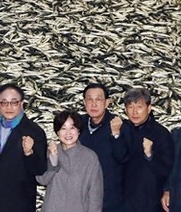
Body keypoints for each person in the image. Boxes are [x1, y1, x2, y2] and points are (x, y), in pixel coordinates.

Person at [0, 83, 49, 212]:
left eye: (14, 102)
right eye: (4, 103)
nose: (9, 107)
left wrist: (29, 153)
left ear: (22, 103)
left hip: (20, 202)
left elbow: (40, 169)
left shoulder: (34, 131)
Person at [36, 110, 103, 212]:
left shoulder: (90, 157)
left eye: (72, 128)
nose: (68, 133)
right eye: (63, 128)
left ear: (78, 130)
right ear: (57, 132)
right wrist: (53, 159)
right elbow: (42, 180)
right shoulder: (51, 151)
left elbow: (95, 193)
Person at [78, 84, 128, 212]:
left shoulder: (119, 125)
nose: (94, 104)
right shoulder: (77, 124)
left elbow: (123, 158)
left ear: (107, 103)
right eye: (90, 99)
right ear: (84, 102)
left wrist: (116, 135)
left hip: (109, 200)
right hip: (80, 198)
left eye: (98, 99)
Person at [121, 88, 172, 212]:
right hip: (123, 202)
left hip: (150, 203)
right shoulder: (122, 129)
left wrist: (150, 155)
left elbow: (167, 170)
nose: (134, 112)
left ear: (149, 108)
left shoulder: (161, 133)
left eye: (139, 107)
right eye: (130, 107)